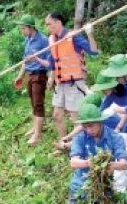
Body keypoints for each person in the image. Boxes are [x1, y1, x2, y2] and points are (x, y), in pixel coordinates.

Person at [29, 12, 98, 146]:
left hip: (74, 82)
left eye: (49, 24)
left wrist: (89, 33)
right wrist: (36, 60)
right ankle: (64, 143)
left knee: (75, 118)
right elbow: (51, 64)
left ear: (58, 23)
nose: (47, 27)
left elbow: (94, 52)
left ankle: (75, 147)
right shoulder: (51, 40)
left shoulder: (73, 36)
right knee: (57, 115)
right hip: (60, 83)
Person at [65, 103, 127, 204]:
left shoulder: (115, 138)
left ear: (100, 121)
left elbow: (123, 163)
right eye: (85, 126)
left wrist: (111, 165)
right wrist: (91, 163)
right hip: (80, 187)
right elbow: (74, 162)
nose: (89, 130)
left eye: (91, 125)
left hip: (103, 187)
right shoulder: (80, 138)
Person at [13, 14, 51, 145]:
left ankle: (38, 135)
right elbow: (25, 60)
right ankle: (35, 128)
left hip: (39, 74)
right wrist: (20, 75)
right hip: (29, 74)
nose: (22, 31)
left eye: (23, 28)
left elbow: (50, 61)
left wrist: (50, 76)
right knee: (33, 102)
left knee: (38, 104)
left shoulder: (43, 40)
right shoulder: (27, 40)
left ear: (31, 27)